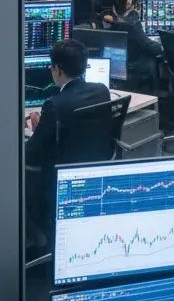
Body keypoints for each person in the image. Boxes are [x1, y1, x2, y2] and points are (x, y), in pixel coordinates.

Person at [25, 39, 111, 235]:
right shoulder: (102, 90)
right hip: (94, 170)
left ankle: (33, 236)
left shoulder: (54, 104)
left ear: (57, 69)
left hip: (61, 179)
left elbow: (32, 153)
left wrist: (36, 131)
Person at [104, 0, 163, 88]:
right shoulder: (132, 24)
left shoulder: (110, 20)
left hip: (118, 68)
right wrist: (163, 46)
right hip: (136, 68)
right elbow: (148, 46)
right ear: (128, 3)